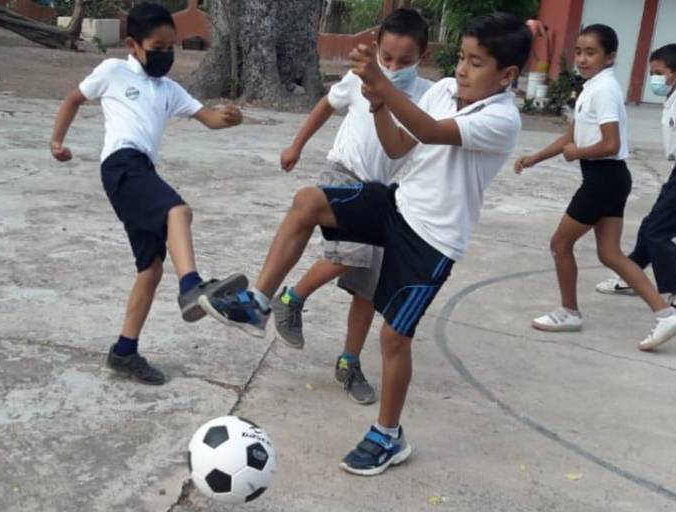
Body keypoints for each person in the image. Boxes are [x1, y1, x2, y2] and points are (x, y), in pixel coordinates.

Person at [199, 13, 531, 475]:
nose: (462, 69)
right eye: (461, 58)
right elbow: (398, 147)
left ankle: (388, 436)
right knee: (308, 201)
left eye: (476, 63)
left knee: (394, 337)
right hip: (397, 204)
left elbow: (434, 132)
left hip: (433, 241)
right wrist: (377, 103)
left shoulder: (501, 118)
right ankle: (258, 302)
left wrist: (380, 83)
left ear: (507, 75)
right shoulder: (445, 91)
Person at [49, 2, 246, 384]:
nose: (165, 55)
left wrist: (231, 116)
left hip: (141, 170)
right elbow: (75, 98)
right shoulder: (113, 71)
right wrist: (57, 141)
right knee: (178, 211)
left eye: (171, 48)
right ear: (133, 45)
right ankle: (191, 285)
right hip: (121, 165)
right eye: (157, 48)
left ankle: (124, 351)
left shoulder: (168, 90)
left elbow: (210, 118)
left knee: (150, 269)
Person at [274, 8, 432, 405]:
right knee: (353, 254)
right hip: (343, 172)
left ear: (423, 58)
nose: (393, 68)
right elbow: (326, 105)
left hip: (385, 193)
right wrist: (296, 144)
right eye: (387, 58)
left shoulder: (427, 95)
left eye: (405, 61)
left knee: (369, 290)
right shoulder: (358, 78)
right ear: (377, 48)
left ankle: (349, 361)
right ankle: (291, 298)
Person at [514, 24, 676, 351]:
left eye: (590, 52)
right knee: (610, 253)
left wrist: (576, 153)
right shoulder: (592, 87)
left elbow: (610, 143)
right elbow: (572, 135)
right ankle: (666, 315)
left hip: (603, 178)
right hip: (610, 178)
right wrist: (536, 157)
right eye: (578, 51)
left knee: (559, 243)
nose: (581, 58)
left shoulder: (604, 89)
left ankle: (568, 311)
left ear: (609, 57)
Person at [595, 43, 676, 312]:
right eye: (652, 72)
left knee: (658, 233)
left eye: (658, 73)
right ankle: (630, 277)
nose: (654, 78)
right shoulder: (674, 98)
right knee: (650, 225)